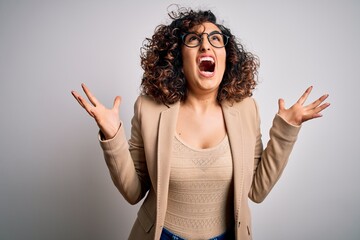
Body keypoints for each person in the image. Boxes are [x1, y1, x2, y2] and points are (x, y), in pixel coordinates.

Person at [71, 7, 330, 240]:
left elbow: (256, 191)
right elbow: (133, 192)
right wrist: (111, 134)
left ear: (226, 57)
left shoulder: (246, 109)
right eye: (194, 39)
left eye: (216, 39)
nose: (206, 46)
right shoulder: (149, 109)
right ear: (178, 58)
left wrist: (286, 130)